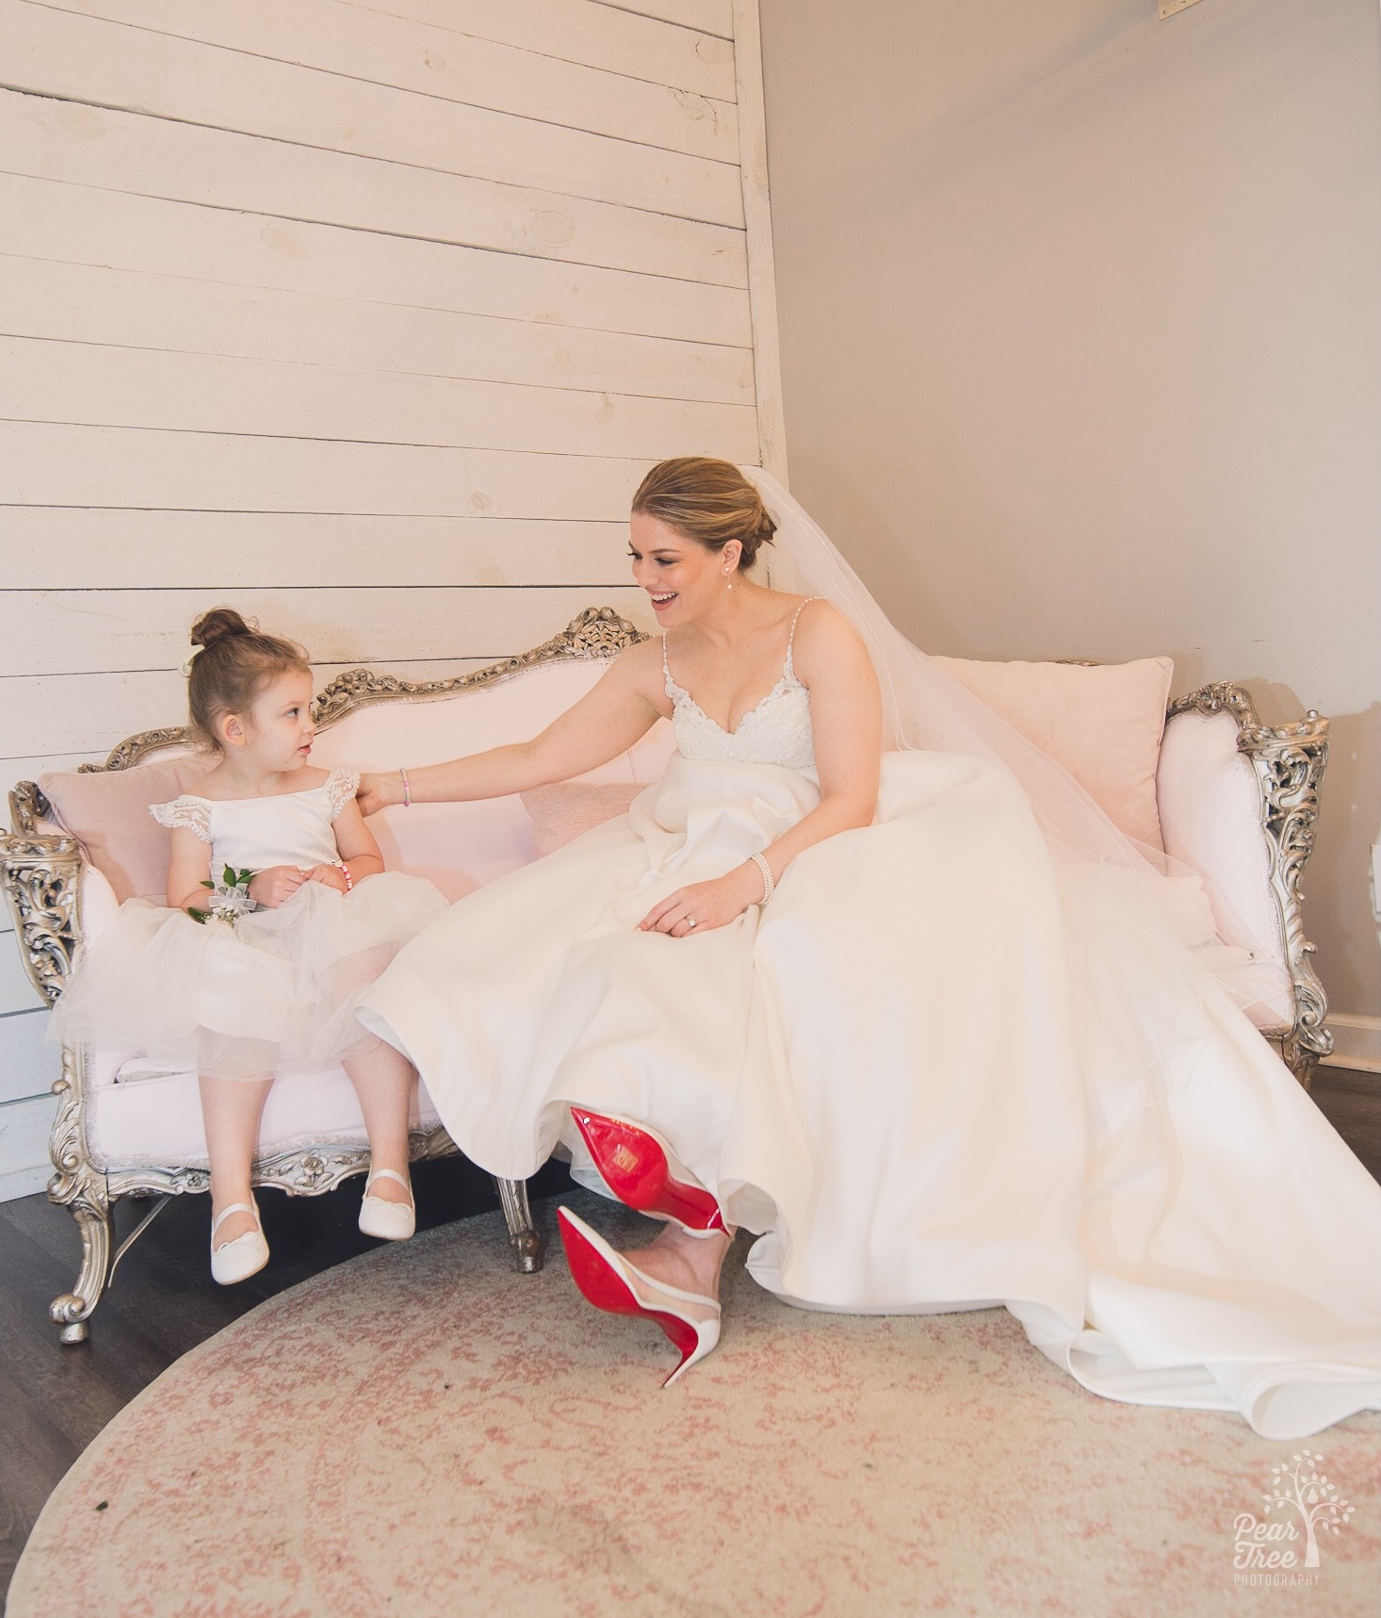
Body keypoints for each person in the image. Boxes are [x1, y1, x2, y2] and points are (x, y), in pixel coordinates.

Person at [357, 460, 1381, 1436]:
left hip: (818, 847)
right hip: (686, 843)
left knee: (769, 967)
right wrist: (389, 788)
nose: (641, 580)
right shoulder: (652, 660)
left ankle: (686, 1237)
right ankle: (679, 1222)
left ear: (728, 551)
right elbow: (541, 754)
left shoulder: (817, 634)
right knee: (567, 953)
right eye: (632, 557)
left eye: (661, 559)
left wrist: (739, 885)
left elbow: (849, 797)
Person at [52, 611, 448, 1283]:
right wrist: (253, 890)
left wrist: (339, 875)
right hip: (243, 931)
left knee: (364, 979)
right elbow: (188, 897)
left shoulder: (329, 787)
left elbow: (367, 858)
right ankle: (230, 1201)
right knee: (236, 997)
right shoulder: (199, 806)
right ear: (235, 730)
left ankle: (390, 1168)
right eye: (292, 713)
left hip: (332, 923)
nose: (310, 726)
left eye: (309, 709)